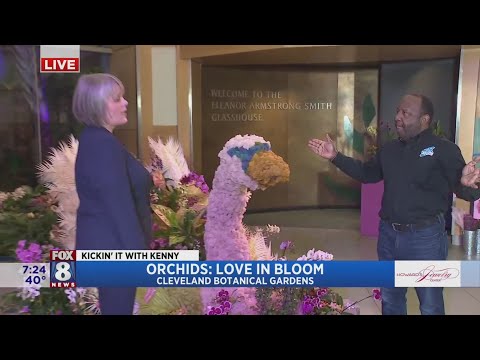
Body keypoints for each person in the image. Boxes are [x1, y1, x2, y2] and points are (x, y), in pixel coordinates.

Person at [308, 93, 480, 315]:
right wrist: (335, 157)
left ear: (424, 120)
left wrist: (470, 184)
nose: (398, 117)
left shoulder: (443, 149)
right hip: (389, 236)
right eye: (398, 111)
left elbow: (462, 186)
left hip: (425, 239)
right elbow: (367, 174)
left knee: (430, 303)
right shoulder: (389, 150)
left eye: (406, 113)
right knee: (390, 299)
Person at [73, 73, 153, 315]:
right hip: (115, 250)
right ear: (97, 106)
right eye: (117, 99)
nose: (126, 103)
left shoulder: (96, 139)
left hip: (109, 246)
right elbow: (118, 206)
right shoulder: (103, 144)